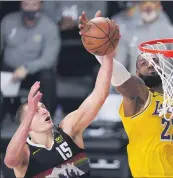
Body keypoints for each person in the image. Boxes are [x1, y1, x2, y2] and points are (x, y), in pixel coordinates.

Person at [79, 11, 173, 178]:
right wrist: (101, 53)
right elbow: (120, 77)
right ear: (137, 73)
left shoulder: (170, 101)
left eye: (155, 61)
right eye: (144, 62)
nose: (150, 64)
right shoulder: (138, 94)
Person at [4, 18, 116, 177]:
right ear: (26, 124)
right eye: (36, 111)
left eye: (42, 107)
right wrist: (29, 114)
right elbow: (10, 161)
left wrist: (108, 55)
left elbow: (99, 95)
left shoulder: (69, 129)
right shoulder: (25, 153)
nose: (43, 111)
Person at [1, 0, 60, 115]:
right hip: (9, 71)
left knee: (48, 76)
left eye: (34, 5)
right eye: (26, 4)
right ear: (20, 5)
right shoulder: (8, 21)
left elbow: (49, 59)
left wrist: (27, 68)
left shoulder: (49, 26)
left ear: (41, 5)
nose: (30, 9)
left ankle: (48, 117)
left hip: (34, 73)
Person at [114, 1, 173, 74]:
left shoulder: (171, 31)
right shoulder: (126, 31)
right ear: (138, 6)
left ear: (159, 5)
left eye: (152, 1)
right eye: (143, 2)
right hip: (137, 83)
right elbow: (118, 64)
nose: (148, 5)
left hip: (165, 82)